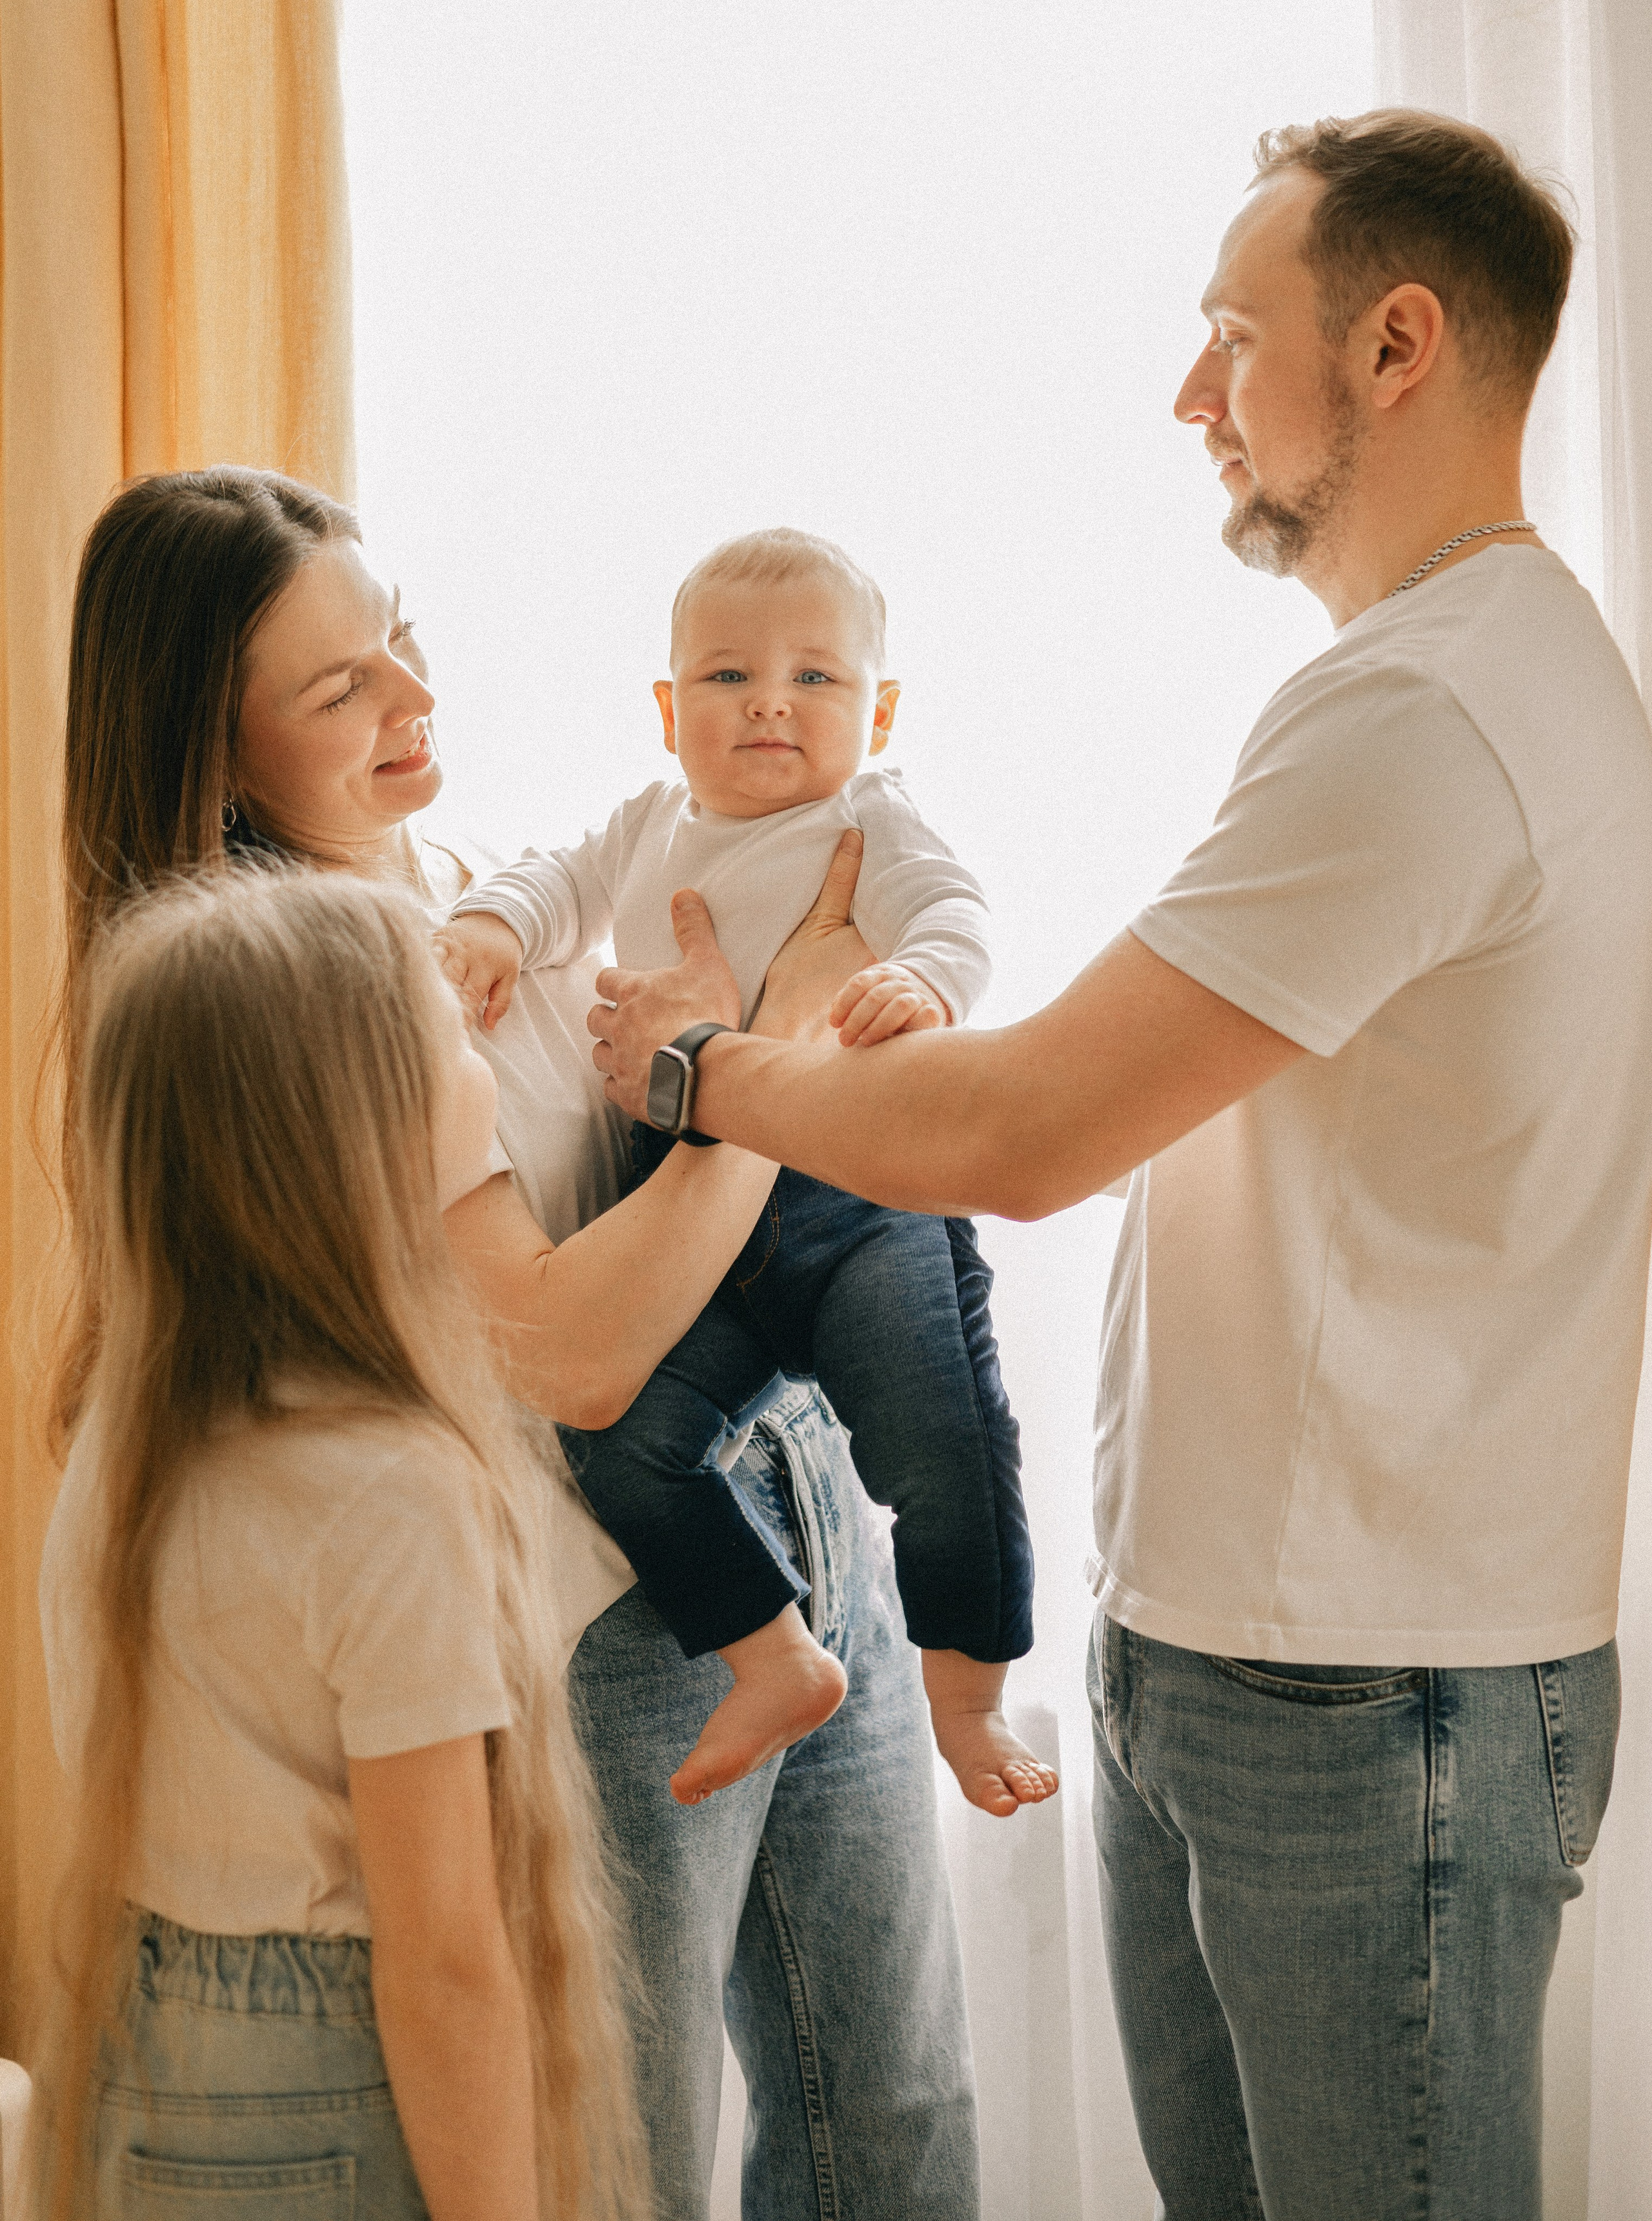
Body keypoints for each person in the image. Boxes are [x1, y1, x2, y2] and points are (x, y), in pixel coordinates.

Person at [589, 108, 1648, 2218]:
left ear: (1397, 345)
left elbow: (1028, 1130)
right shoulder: (1428, 685)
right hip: (1259, 1655)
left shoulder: (1434, 718)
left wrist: (707, 1066)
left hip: (1368, 1694)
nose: (1189, 394)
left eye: (1230, 336)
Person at [52, 467, 982, 2221]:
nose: (415, 698)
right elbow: (568, 1355)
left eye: (400, 637)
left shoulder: (487, 895)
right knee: (637, 2154)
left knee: (897, 2115)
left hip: (796, 1502)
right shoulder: (314, 1002)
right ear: (219, 746)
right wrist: (760, 1077)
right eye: (342, 689)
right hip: (635, 1591)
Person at [35, 870, 649, 2220]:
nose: (480, 1044)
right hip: (323, 2062)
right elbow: (442, 1955)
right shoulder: (389, 1488)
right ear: (351, 1130)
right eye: (448, 1030)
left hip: (149, 2034)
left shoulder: (122, 1444)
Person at [441, 526, 1055, 1815]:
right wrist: (493, 923)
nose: (769, 700)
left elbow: (957, 913)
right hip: (700, 1216)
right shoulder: (648, 822)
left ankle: (967, 1693)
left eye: (815, 679)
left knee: (940, 1437)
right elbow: (553, 876)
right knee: (621, 1444)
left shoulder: (868, 816)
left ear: (876, 709)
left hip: (855, 1201)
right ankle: (768, 1654)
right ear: (668, 712)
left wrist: (921, 977)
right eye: (726, 677)